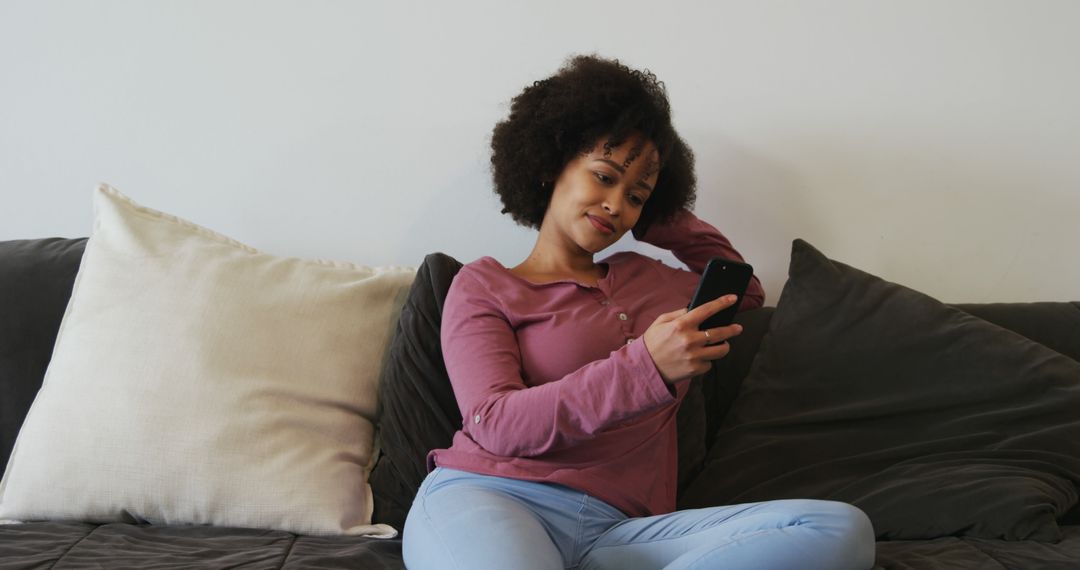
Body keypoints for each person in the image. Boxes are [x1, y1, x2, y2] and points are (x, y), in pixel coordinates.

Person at [402, 54, 876, 570]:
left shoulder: (647, 278)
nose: (615, 205)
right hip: (494, 497)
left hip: (622, 530)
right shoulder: (486, 284)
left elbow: (744, 292)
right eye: (603, 177)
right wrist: (645, 367)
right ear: (548, 165)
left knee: (836, 529)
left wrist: (659, 218)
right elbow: (494, 423)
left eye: (635, 197)